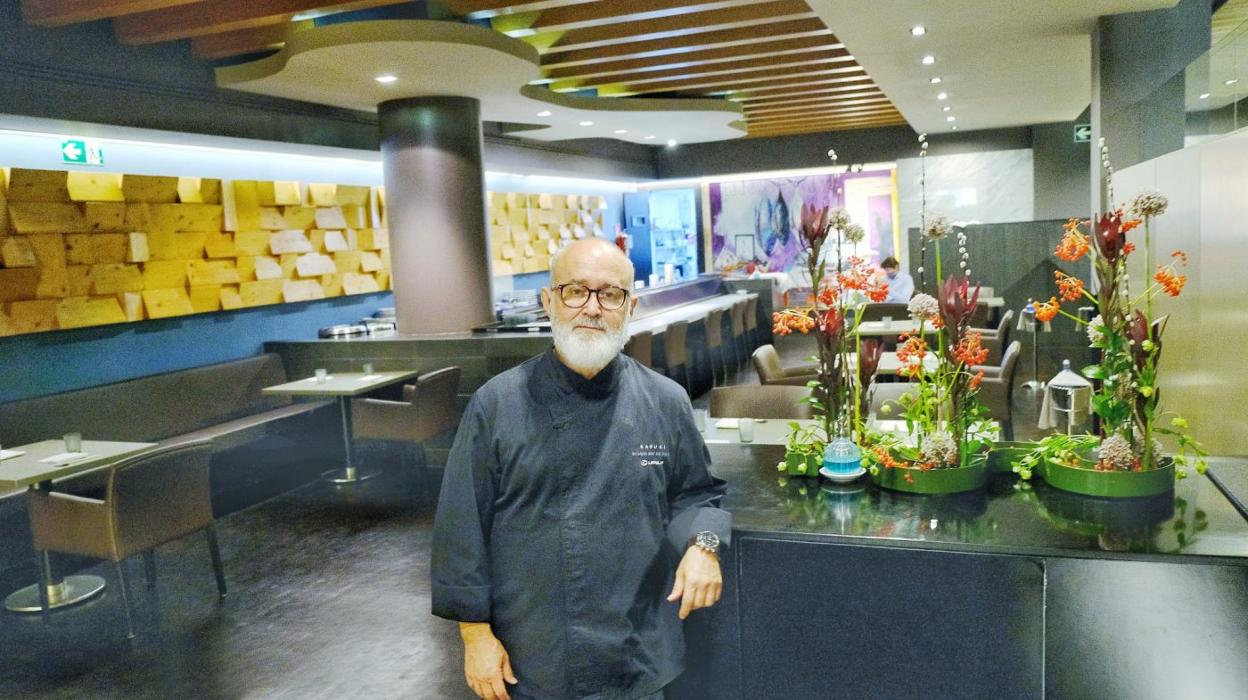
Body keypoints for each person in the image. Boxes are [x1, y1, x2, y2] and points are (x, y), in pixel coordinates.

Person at [431, 238, 731, 700]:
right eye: (576, 291)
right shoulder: (497, 402)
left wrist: (704, 546)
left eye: (609, 295)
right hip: (533, 654)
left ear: (629, 307)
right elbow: (462, 526)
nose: (592, 308)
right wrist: (475, 637)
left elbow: (697, 493)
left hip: (638, 650)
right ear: (549, 301)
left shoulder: (666, 401)